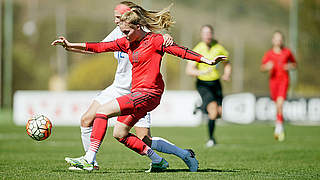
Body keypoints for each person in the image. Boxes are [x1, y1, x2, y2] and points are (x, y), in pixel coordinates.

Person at [52, 4, 226, 172]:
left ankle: (89, 160)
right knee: (120, 133)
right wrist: (70, 45)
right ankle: (182, 156)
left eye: (127, 32)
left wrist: (206, 60)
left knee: (102, 112)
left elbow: (181, 51)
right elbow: (98, 47)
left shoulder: (156, 40)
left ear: (138, 26)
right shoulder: (126, 42)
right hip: (136, 94)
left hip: (149, 93)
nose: (124, 35)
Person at [186, 25, 231, 147]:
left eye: (209, 33)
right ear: (201, 35)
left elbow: (227, 63)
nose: (207, 35)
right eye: (205, 33)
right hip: (203, 84)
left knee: (219, 113)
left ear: (212, 34)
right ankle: (211, 139)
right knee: (213, 112)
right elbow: (189, 70)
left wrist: (227, 74)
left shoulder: (219, 48)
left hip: (216, 83)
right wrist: (201, 72)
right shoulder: (198, 49)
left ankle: (200, 107)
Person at [260, 31, 297, 141]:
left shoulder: (287, 52)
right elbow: (262, 68)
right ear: (273, 40)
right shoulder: (269, 54)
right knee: (277, 105)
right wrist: (267, 67)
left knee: (280, 104)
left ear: (282, 40)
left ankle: (279, 126)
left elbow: (295, 64)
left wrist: (289, 66)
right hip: (273, 81)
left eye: (280, 39)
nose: (278, 41)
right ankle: (279, 122)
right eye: (276, 39)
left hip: (284, 81)